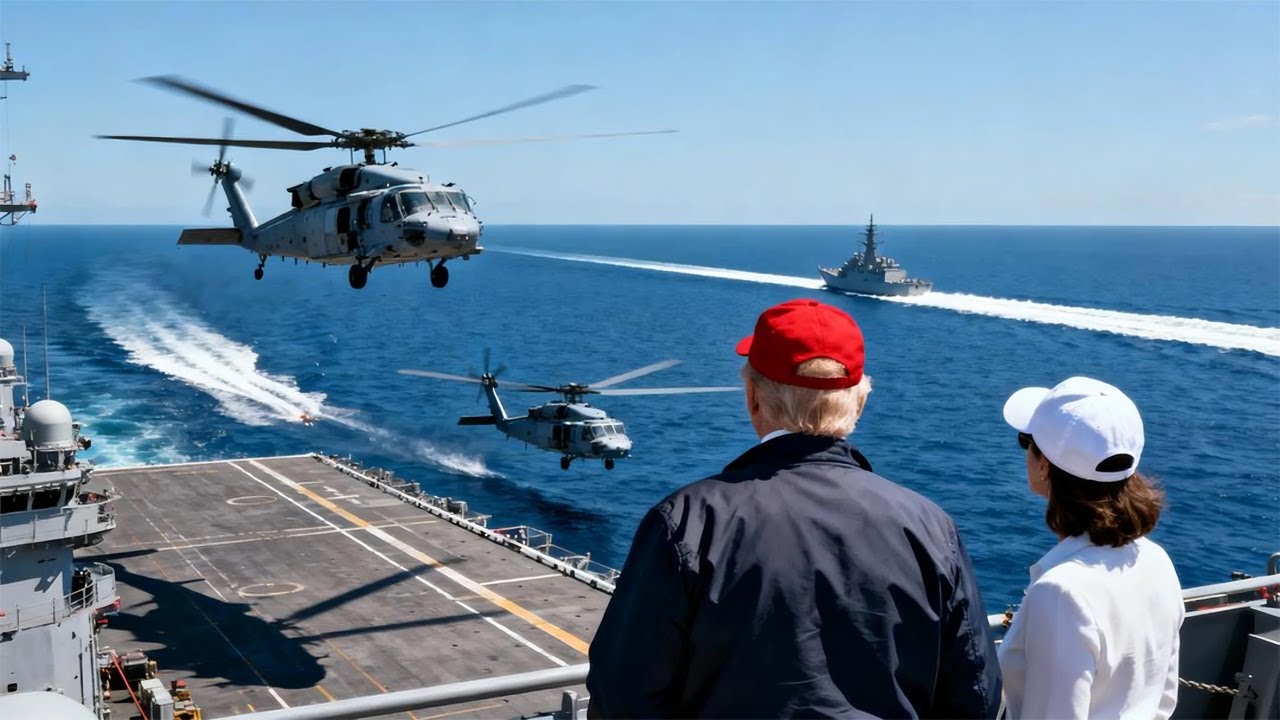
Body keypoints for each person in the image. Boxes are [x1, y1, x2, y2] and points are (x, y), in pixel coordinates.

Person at [586, 298, 1002, 718]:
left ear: (752, 397)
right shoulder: (930, 528)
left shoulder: (688, 522)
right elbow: (976, 696)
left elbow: (622, 694)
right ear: (859, 403)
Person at [999, 376, 1184, 719]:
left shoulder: (1061, 593)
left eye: (1027, 442)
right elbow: (1163, 700)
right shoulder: (1157, 562)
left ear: (1044, 466)